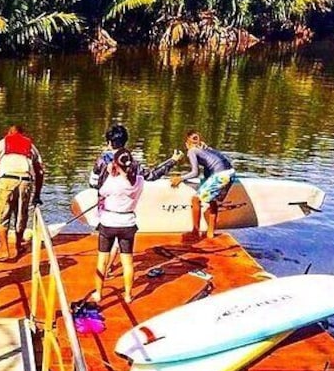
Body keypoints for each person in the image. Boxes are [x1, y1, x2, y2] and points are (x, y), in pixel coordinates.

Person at [90, 124, 182, 275]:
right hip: (125, 210)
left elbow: (92, 182)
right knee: (119, 241)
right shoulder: (131, 162)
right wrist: (172, 160)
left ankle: (106, 269)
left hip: (105, 205)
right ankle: (109, 268)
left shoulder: (101, 160)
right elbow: (151, 176)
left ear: (108, 142)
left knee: (108, 239)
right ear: (126, 142)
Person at [0, 124, 45, 261]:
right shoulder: (31, 146)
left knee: (0, 214)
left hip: (7, 180)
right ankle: (18, 245)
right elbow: (39, 172)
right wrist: (37, 194)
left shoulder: (2, 143)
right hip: (25, 180)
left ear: (9, 132)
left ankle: (4, 250)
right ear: (23, 134)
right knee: (21, 214)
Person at [91, 148, 144, 304]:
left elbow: (101, 191)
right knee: (128, 261)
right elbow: (133, 178)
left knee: (102, 260)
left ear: (115, 164)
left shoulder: (113, 181)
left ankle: (99, 294)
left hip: (109, 223)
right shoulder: (139, 181)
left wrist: (108, 172)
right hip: (128, 223)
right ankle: (128, 295)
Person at [170, 130, 236, 239]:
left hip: (220, 175)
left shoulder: (192, 151)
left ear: (187, 144)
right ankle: (210, 233)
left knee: (196, 199)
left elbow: (195, 172)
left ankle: (195, 232)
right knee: (212, 200)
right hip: (231, 174)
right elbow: (212, 167)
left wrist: (181, 178)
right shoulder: (207, 149)